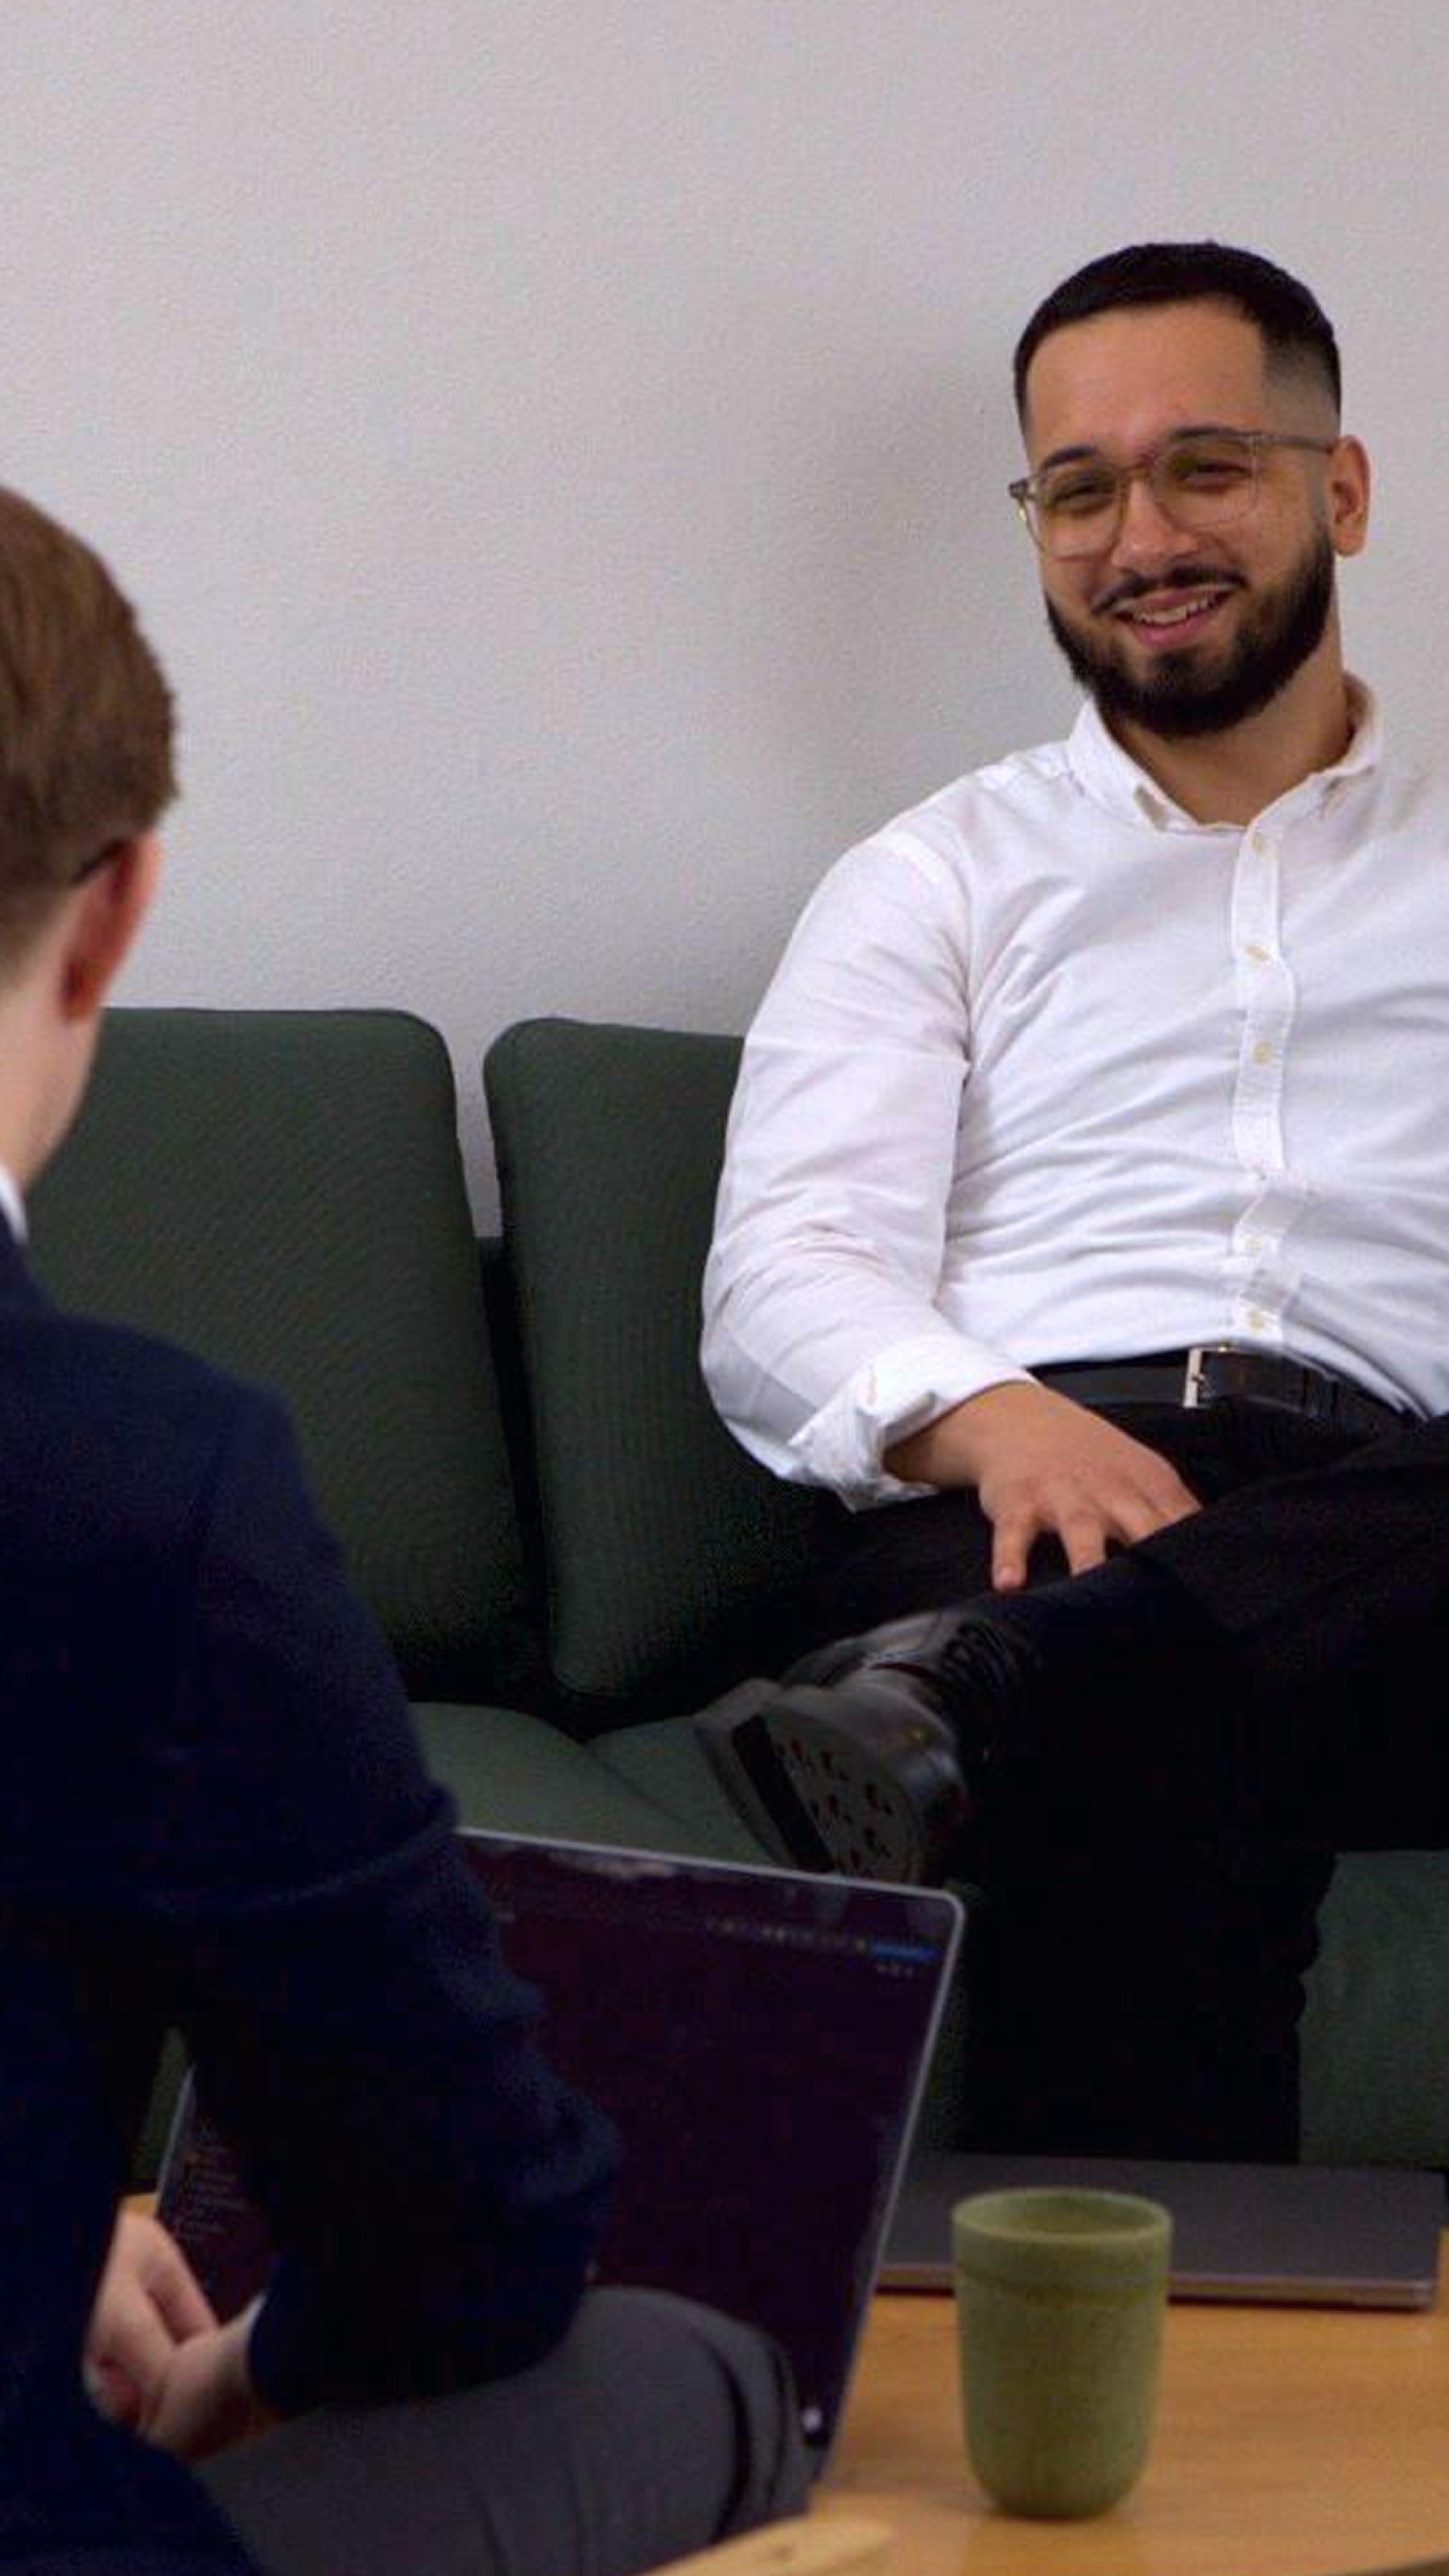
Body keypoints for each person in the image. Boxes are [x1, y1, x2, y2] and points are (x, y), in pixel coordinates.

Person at [0, 485, 806, 2574]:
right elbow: (467, 2226)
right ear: (114, 910)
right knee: (701, 2376)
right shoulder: (128, 1479)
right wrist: (252, 2361)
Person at [700, 237, 1449, 2164]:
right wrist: (996, 1414)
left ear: (1339, 488)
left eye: (1205, 466)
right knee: (1171, 1730)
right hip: (1029, 1505)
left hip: (1408, 1525)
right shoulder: (933, 879)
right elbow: (785, 1270)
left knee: (1151, 1672)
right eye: (1080, 489)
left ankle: (973, 1711)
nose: (1142, 535)